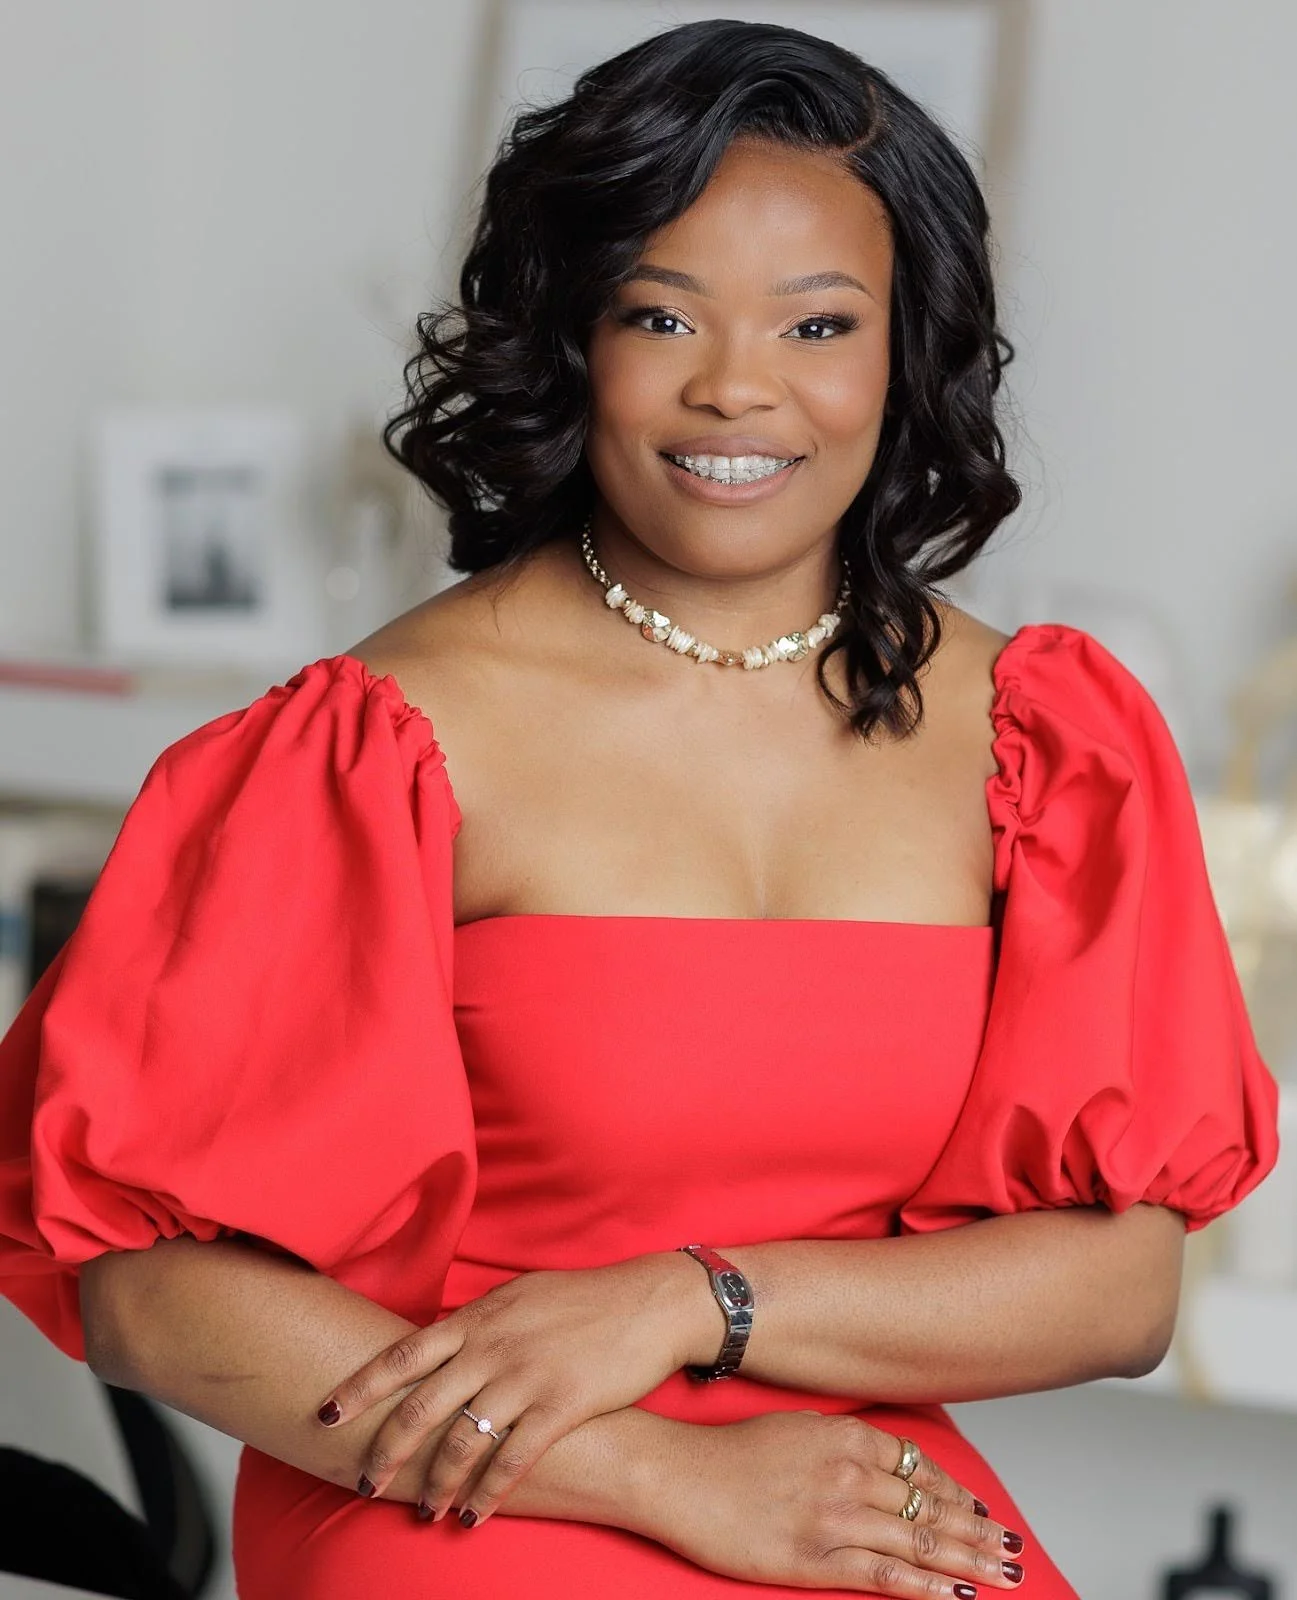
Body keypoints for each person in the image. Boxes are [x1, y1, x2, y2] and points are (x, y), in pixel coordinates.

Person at [0, 19, 1280, 1600]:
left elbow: (1121, 1286)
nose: (738, 389)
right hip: (454, 1475)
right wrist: (661, 1472)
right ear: (567, 336)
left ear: (907, 349)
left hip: (850, 1484)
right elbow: (146, 1292)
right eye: (660, 313)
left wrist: (691, 1302)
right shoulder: (380, 741)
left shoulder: (1046, 741)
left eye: (819, 327)